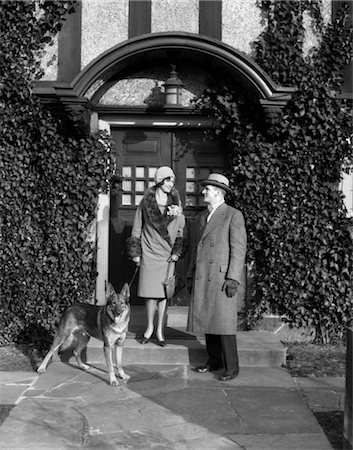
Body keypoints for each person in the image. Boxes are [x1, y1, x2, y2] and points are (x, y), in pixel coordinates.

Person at [186, 173, 247, 381]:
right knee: (207, 321)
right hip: (204, 275)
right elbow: (197, 248)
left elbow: (238, 249)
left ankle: (232, 367)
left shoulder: (233, 215)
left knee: (224, 324)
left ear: (219, 193)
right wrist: (189, 273)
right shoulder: (202, 217)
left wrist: (233, 278)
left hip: (222, 278)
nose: (203, 192)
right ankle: (214, 361)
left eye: (208, 190)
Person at [127, 166, 185, 346]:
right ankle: (149, 328)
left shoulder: (176, 203)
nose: (171, 184)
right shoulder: (146, 202)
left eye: (173, 181)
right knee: (150, 293)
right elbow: (137, 227)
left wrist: (176, 252)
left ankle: (160, 330)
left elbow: (181, 230)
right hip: (149, 252)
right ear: (160, 180)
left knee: (164, 293)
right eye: (168, 180)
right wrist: (136, 254)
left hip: (167, 255)